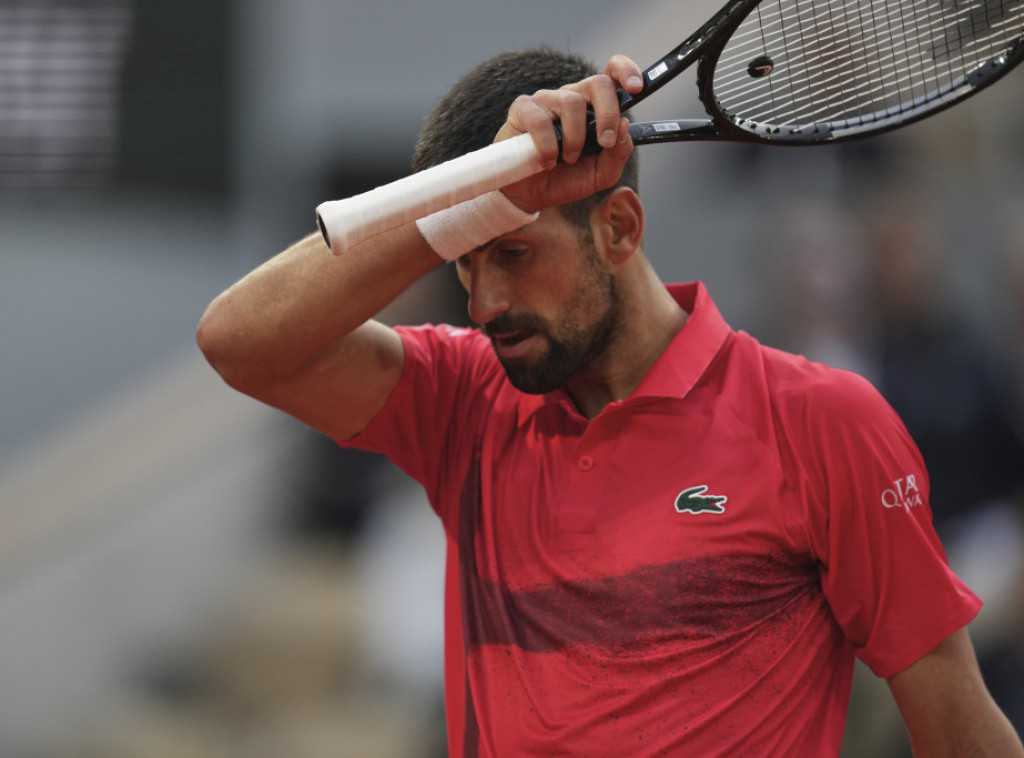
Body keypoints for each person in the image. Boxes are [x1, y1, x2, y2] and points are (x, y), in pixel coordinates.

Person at [196, 48, 1024, 757]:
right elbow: (238, 340)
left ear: (620, 229)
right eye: (464, 261)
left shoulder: (819, 421)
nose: (483, 304)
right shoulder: (465, 398)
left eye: (514, 253)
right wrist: (470, 202)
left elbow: (960, 731)